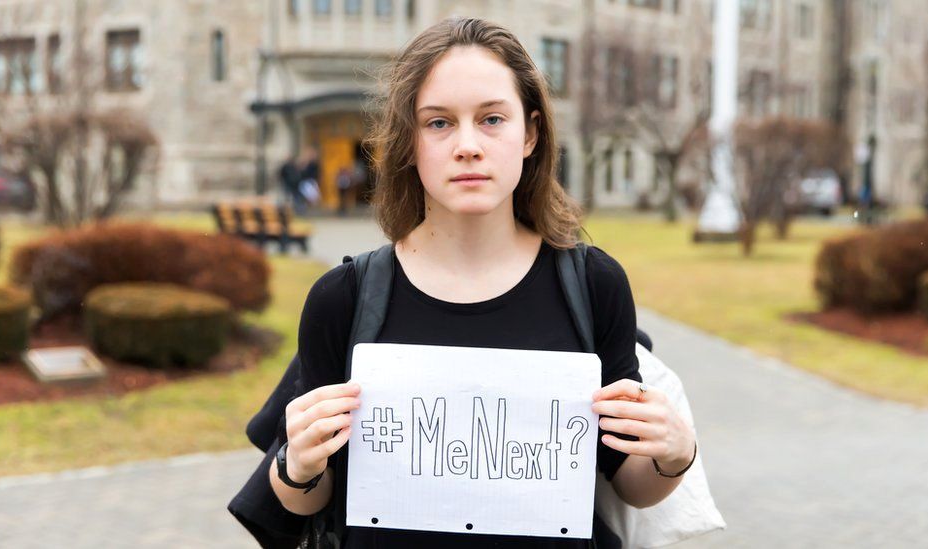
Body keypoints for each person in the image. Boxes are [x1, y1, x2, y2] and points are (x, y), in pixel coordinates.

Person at [267, 17, 697, 548]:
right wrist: (298, 464)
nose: (467, 145)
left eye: (492, 119)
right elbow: (308, 498)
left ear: (531, 134)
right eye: (439, 123)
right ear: (408, 140)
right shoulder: (344, 298)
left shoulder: (593, 286)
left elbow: (629, 484)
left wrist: (675, 455)